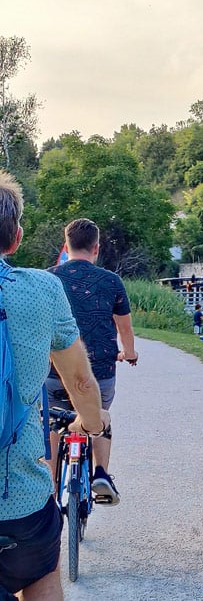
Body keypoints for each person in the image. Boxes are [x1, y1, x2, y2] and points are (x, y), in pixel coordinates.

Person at [0, 170, 108, 601]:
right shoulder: (43, 289)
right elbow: (79, 379)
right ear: (16, 238)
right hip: (19, 501)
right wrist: (93, 424)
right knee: (42, 574)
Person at [45, 218, 138, 507]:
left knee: (52, 419)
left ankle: (50, 481)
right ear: (96, 248)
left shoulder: (48, 279)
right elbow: (124, 329)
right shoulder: (111, 281)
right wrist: (129, 353)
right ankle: (101, 474)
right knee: (98, 414)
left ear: (66, 245)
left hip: (53, 371)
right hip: (100, 372)